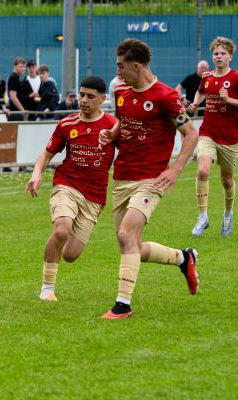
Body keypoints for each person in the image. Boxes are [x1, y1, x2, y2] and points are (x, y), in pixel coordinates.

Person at [99, 38, 200, 319]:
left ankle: (122, 305)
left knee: (126, 234)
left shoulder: (165, 96)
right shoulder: (121, 92)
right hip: (122, 176)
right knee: (131, 245)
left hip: (151, 179)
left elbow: (191, 134)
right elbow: (123, 122)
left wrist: (176, 168)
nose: (118, 72)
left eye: (121, 66)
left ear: (136, 65)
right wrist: (112, 134)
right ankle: (183, 258)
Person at [26, 76, 118, 302]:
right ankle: (47, 289)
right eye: (81, 95)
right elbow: (47, 154)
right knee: (61, 230)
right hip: (67, 184)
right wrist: (37, 173)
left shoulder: (113, 126)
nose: (83, 100)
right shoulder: (67, 124)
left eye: (90, 96)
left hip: (95, 196)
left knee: (70, 255)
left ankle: (57, 258)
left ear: (102, 99)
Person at [188, 36, 238, 237]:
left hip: (230, 137)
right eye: (216, 53)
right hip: (207, 133)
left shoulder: (235, 77)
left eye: (222, 53)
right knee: (202, 171)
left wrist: (228, 99)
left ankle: (228, 214)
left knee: (227, 180)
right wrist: (195, 103)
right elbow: (201, 92)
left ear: (230, 57)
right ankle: (203, 217)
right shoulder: (207, 77)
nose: (218, 56)